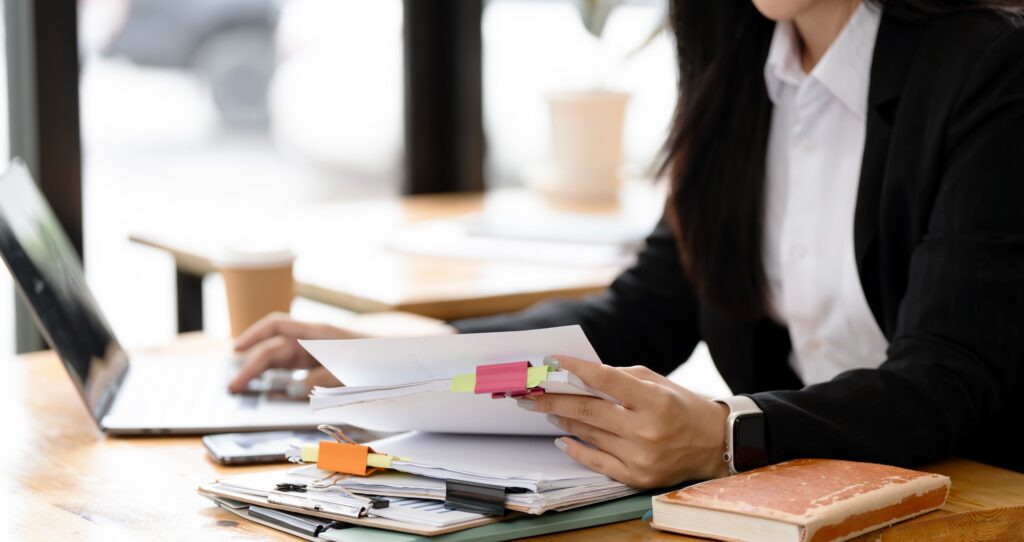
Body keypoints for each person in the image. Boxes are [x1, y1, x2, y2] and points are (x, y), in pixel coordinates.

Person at [229, 0, 1024, 488]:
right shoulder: (737, 70)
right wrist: (401, 357)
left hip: (975, 494)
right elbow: (642, 314)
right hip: (800, 499)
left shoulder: (988, 69)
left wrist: (728, 434)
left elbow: (945, 380)